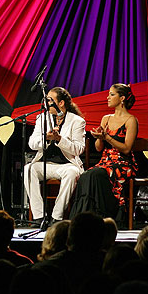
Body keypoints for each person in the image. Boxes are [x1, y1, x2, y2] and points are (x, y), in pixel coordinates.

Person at [70, 83, 138, 219]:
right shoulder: (106, 118)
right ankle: (84, 216)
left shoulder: (131, 120)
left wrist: (107, 137)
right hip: (106, 161)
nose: (108, 97)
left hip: (123, 163)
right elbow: (98, 148)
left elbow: (126, 149)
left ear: (122, 98)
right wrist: (100, 138)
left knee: (95, 175)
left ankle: (102, 215)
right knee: (85, 175)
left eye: (112, 95)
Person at [23, 86, 86, 224]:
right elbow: (32, 143)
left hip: (67, 165)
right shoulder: (42, 118)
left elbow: (78, 149)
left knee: (71, 173)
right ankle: (39, 217)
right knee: (28, 169)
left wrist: (59, 140)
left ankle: (56, 217)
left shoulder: (77, 121)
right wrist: (46, 138)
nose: (45, 103)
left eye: (49, 100)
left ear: (61, 103)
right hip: (45, 164)